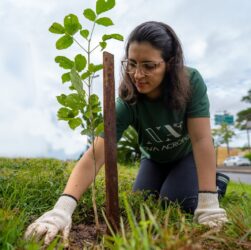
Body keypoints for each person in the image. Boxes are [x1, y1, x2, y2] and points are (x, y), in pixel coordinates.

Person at [25, 21, 229, 245]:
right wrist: (61, 210)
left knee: (176, 201)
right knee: (142, 202)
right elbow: (96, 155)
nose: (137, 74)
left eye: (149, 66)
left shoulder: (191, 82)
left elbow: (201, 140)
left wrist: (208, 204)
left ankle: (216, 185)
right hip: (153, 159)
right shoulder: (128, 101)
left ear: (169, 64)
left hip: (186, 156)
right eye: (131, 64)